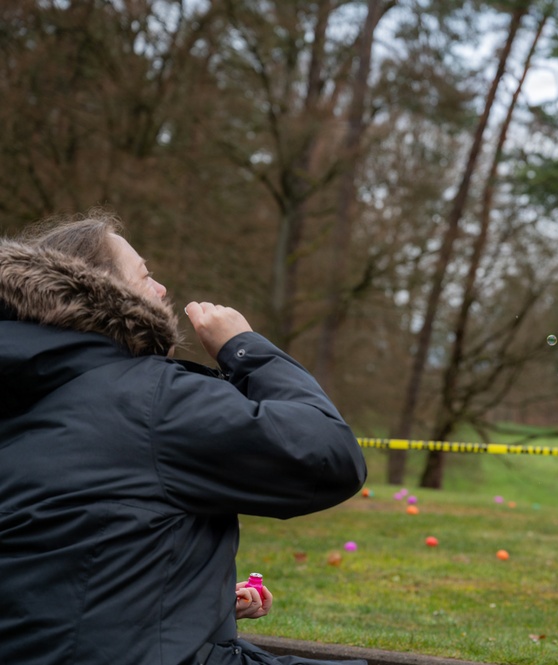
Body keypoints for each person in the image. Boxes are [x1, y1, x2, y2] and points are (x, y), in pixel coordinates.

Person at [0, 211, 369, 664]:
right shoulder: (149, 398)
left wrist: (201, 599)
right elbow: (327, 455)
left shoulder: (23, 392)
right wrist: (245, 347)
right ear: (98, 290)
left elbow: (69, 570)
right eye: (145, 274)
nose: (161, 290)